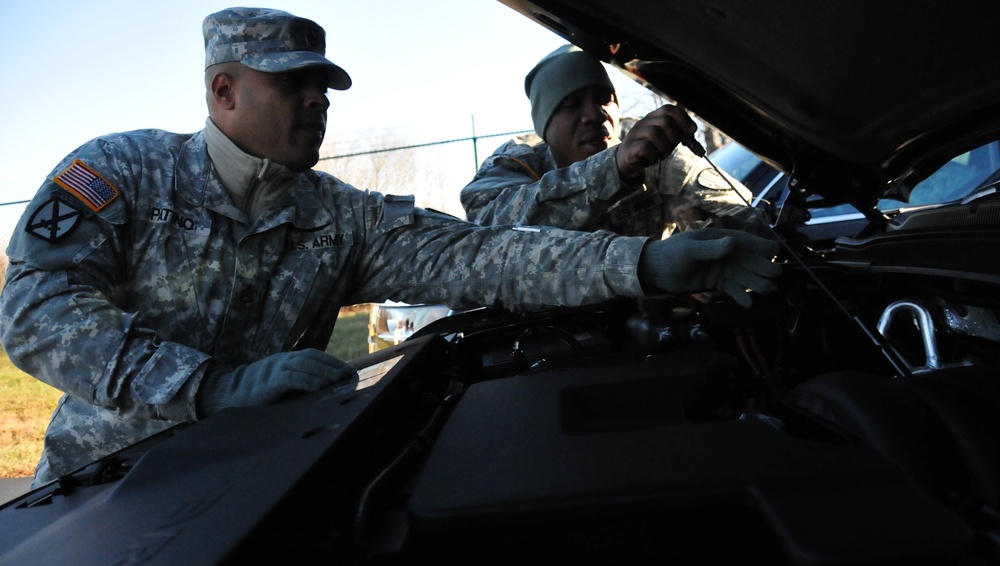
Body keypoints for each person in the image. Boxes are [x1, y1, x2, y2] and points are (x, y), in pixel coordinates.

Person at [0, 8, 781, 488]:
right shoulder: (120, 172)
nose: (318, 100)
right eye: (292, 83)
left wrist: (642, 264)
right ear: (223, 91)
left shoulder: (345, 219)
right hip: (108, 487)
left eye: (325, 87)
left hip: (263, 482)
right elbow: (34, 309)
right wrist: (210, 386)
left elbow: (486, 256)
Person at [461, 45, 767, 239]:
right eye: (572, 105)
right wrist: (613, 170)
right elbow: (488, 232)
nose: (594, 114)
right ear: (545, 127)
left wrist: (713, 240)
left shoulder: (655, 155)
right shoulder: (517, 166)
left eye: (604, 99)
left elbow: (748, 221)